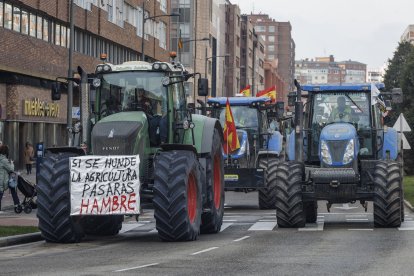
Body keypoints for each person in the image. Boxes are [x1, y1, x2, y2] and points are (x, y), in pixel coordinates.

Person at [0, 145, 19, 212]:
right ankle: (17, 204)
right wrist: (11, 163)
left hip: (3, 179)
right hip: (2, 180)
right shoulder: (4, 160)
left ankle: (17, 204)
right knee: (2, 192)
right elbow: (11, 169)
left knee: (11, 188)